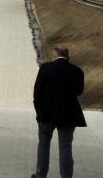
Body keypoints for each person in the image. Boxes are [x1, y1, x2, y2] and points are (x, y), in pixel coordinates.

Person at [32, 45, 86, 178]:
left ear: (55, 55)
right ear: (67, 55)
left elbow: (37, 92)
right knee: (65, 147)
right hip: (68, 114)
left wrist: (38, 109)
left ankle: (40, 175)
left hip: (46, 113)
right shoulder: (77, 71)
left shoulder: (45, 68)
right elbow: (79, 91)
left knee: (44, 145)